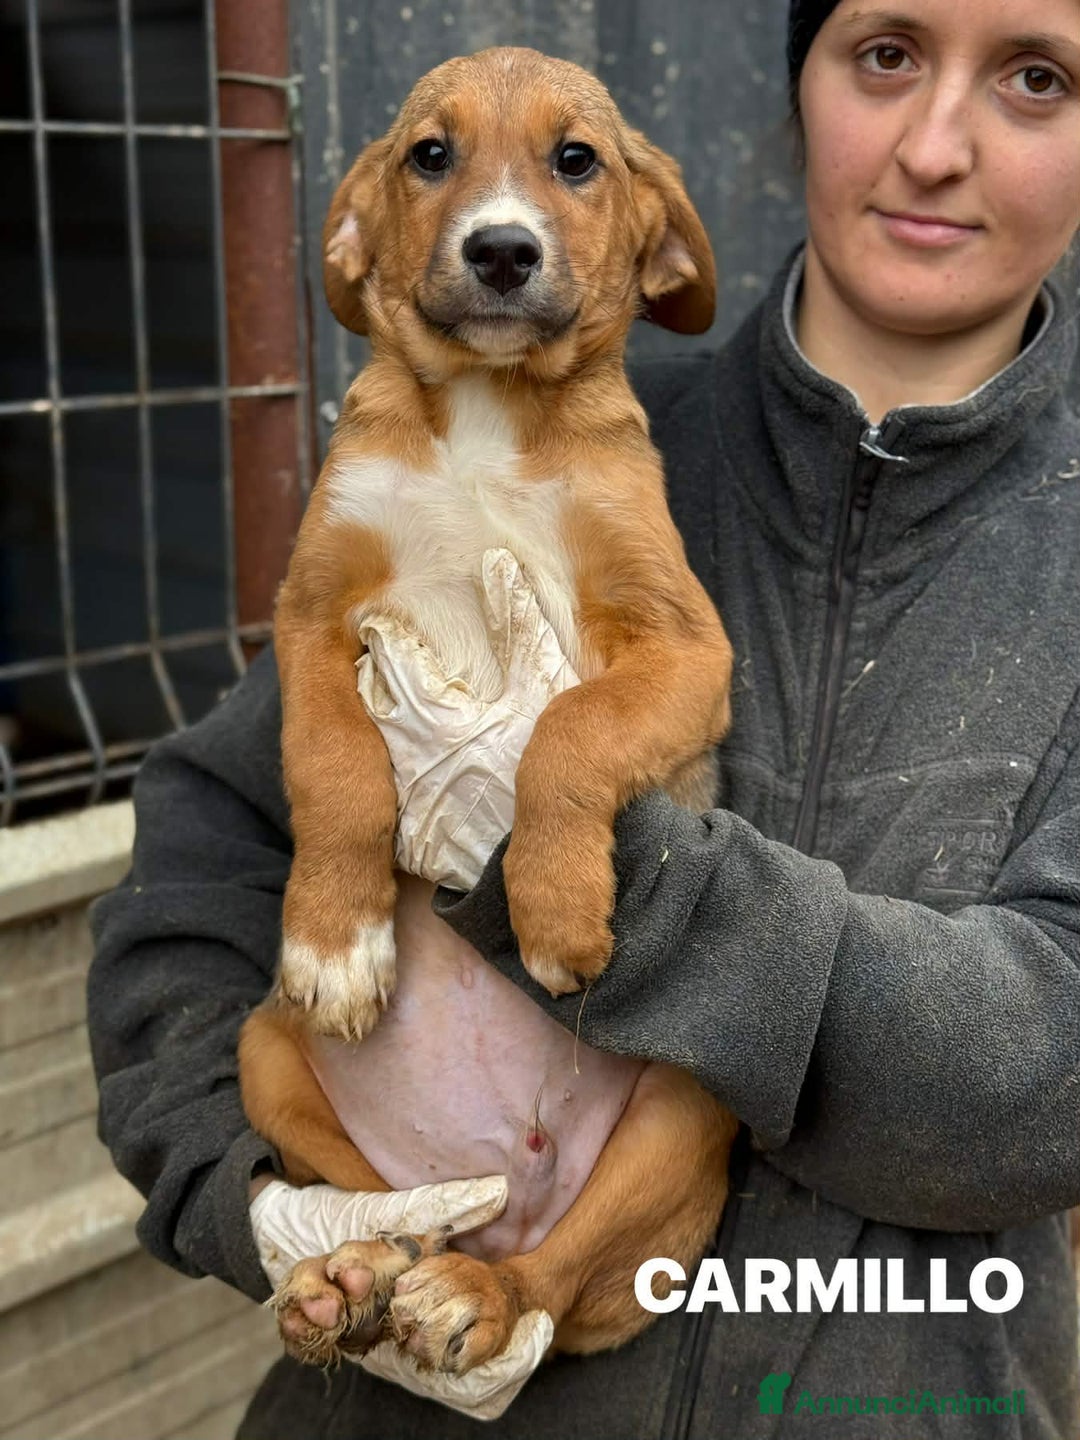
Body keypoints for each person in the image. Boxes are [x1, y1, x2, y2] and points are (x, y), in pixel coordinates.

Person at [88, 0, 1080, 1434]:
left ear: (655, 226)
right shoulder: (489, 417)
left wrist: (618, 876)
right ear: (796, 85)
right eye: (884, 54)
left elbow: (1042, 1090)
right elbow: (206, 857)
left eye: (1038, 79)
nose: (935, 145)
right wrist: (248, 1200)